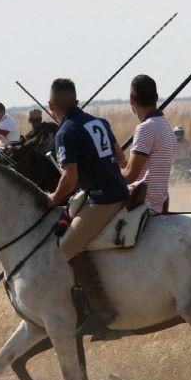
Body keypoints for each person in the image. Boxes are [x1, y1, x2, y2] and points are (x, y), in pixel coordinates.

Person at [46, 78, 129, 338]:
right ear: (76, 100)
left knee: (66, 247)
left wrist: (53, 198)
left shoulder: (65, 132)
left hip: (103, 199)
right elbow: (122, 158)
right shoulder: (99, 122)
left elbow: (69, 178)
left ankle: (101, 314)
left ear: (51, 106)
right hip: (115, 189)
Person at [120, 75, 176, 214]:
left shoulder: (146, 127)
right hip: (158, 201)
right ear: (156, 97)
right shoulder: (165, 125)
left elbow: (130, 176)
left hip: (141, 202)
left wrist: (104, 173)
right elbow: (150, 166)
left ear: (131, 99)